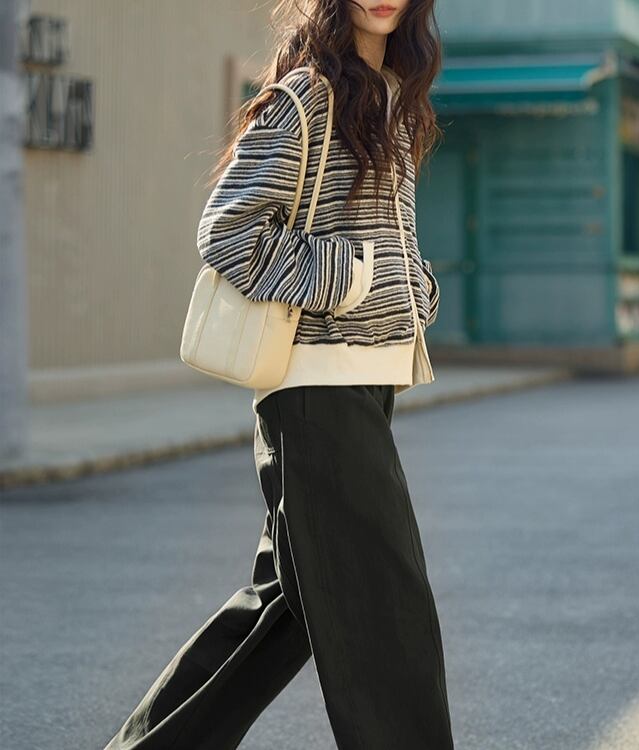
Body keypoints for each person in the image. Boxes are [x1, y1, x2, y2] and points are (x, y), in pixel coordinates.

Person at [103, 0, 453, 748]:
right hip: (316, 385)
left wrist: (413, 287)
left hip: (364, 377)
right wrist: (351, 280)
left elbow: (382, 231)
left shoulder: (391, 99)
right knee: (383, 604)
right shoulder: (308, 97)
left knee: (291, 604)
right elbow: (227, 231)